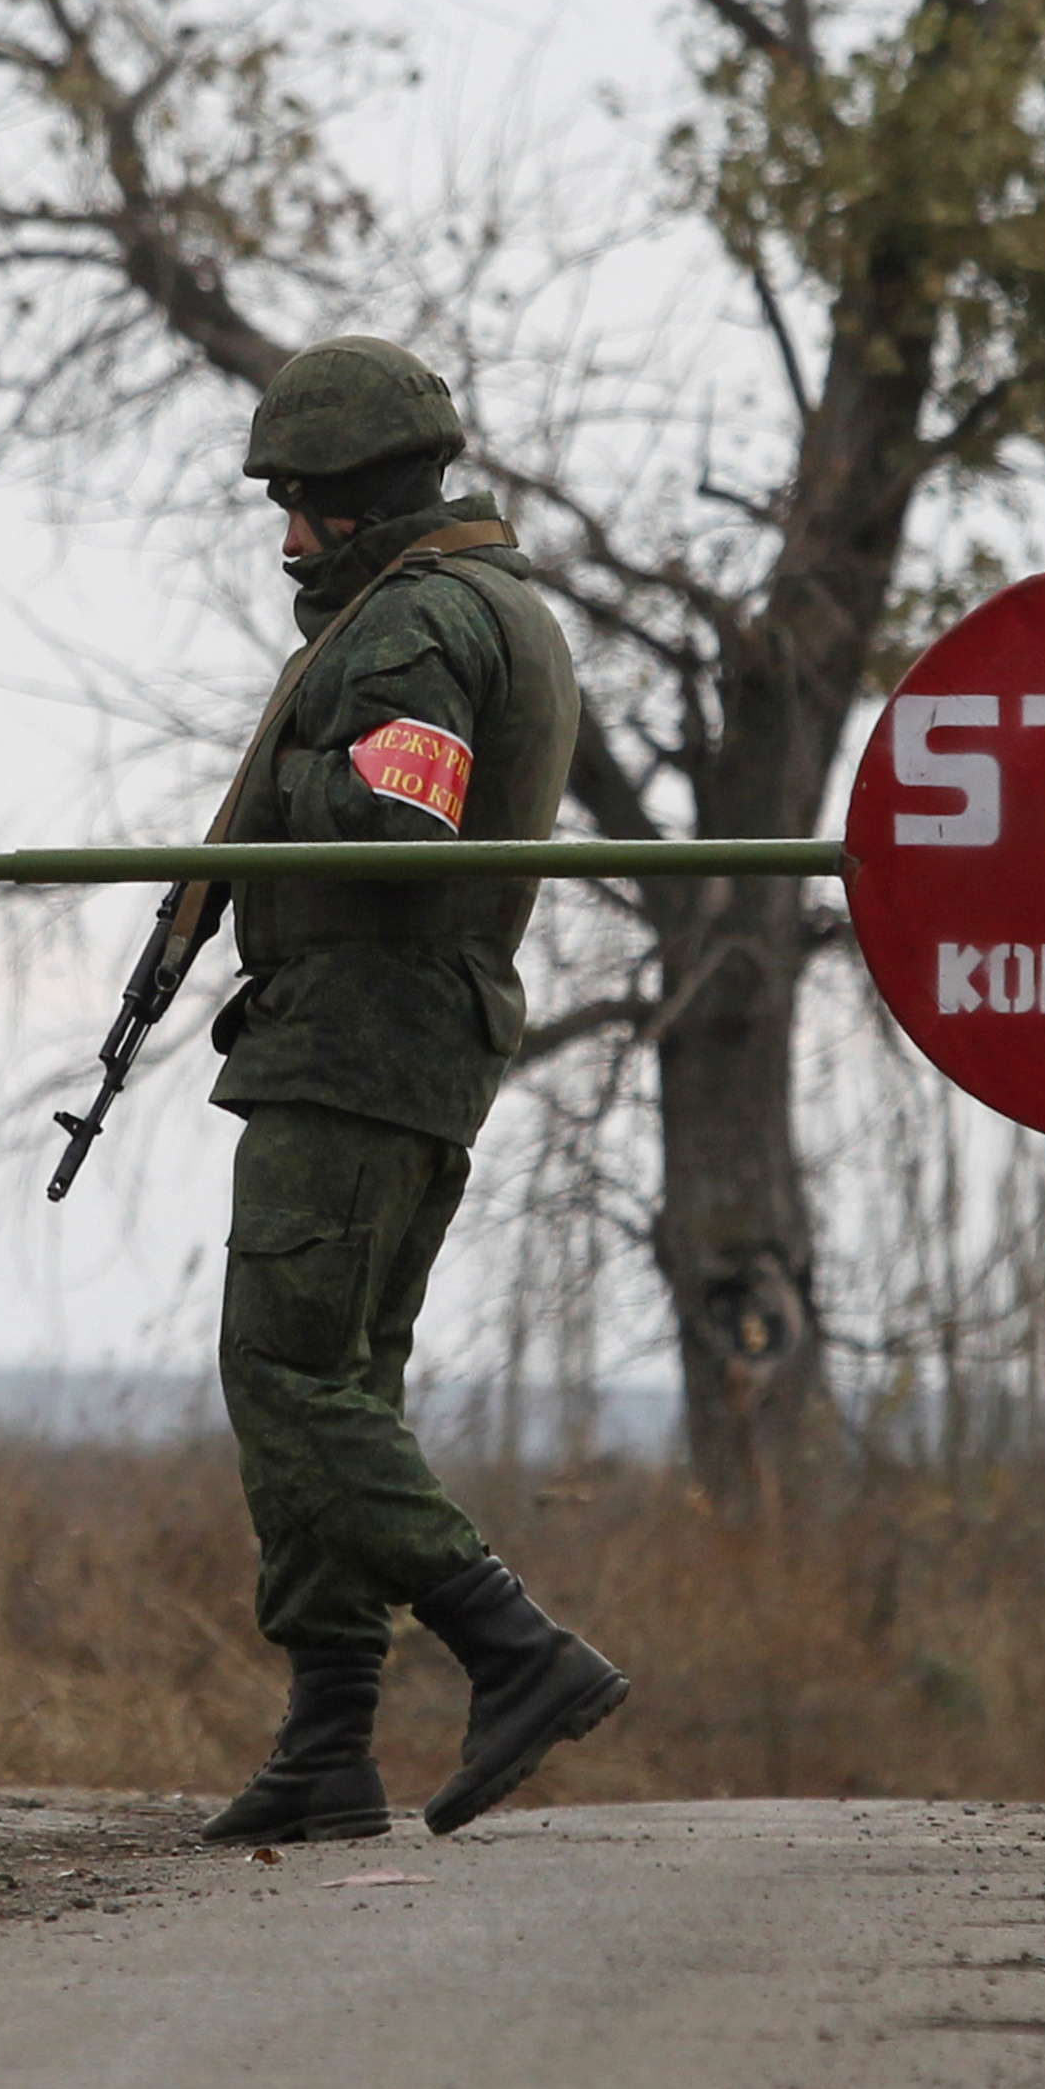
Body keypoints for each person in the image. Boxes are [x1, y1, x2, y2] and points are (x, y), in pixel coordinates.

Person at [198, 333, 629, 1845]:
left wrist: (278, 793)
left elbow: (396, 821)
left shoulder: (413, 623)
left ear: (364, 493)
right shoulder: (486, 603)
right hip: (399, 1038)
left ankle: (515, 1648)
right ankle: (328, 1744)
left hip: (363, 1037)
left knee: (289, 1379)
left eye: (301, 502)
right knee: (338, 1386)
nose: (287, 537)